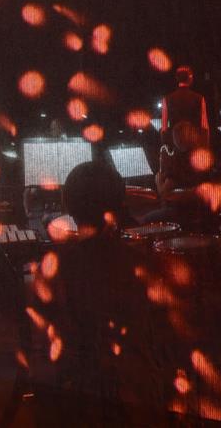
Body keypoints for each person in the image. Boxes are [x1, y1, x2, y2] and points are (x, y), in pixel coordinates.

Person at [32, 161, 162, 425]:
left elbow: (46, 351)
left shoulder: (53, 270)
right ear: (118, 206)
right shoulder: (142, 266)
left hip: (76, 401)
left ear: (68, 206)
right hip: (136, 400)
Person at [160, 65, 209, 149]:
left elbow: (164, 127)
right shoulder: (199, 98)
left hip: (175, 144)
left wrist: (166, 144)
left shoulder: (167, 99)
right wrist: (205, 145)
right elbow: (204, 125)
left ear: (177, 78)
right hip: (194, 144)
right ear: (190, 78)